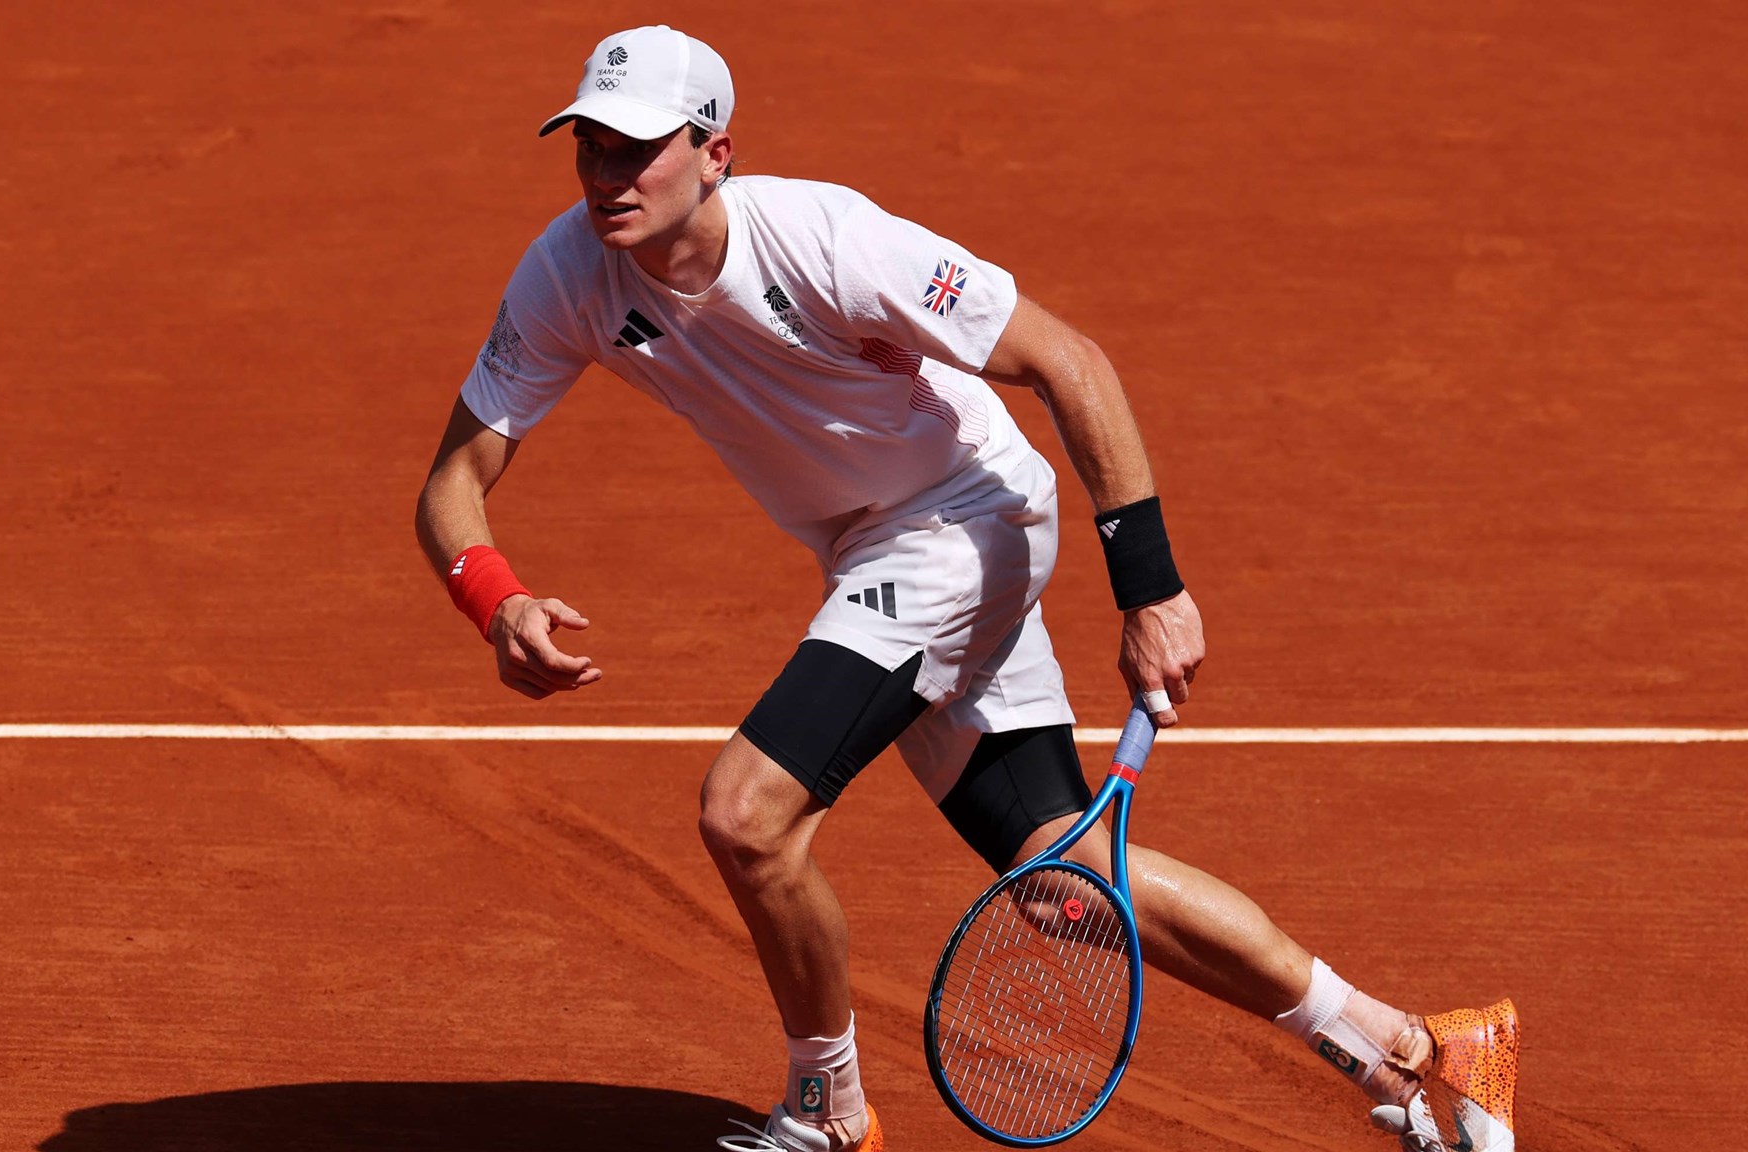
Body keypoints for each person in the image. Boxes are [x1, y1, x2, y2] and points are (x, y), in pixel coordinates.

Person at [413, 24, 1517, 1152]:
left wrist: (1149, 590)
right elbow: (452, 482)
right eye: (589, 144)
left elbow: (1069, 361)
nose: (605, 175)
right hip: (865, 546)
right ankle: (1420, 1046)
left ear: (714, 152)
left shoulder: (832, 242)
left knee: (746, 816)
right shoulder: (565, 275)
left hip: (960, 520)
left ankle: (826, 1107)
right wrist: (493, 597)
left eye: (636, 147)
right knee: (1061, 878)